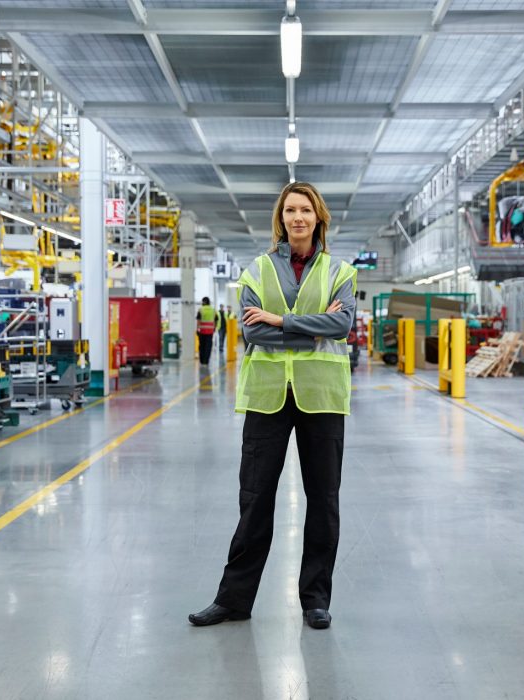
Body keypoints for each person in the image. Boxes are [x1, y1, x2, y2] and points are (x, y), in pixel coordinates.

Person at [189, 181, 356, 630]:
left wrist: (281, 319)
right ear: (280, 219)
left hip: (321, 395)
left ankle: (315, 600)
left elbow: (342, 325)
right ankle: (234, 600)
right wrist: (312, 328)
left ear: (318, 216)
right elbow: (253, 333)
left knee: (323, 499)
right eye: (289, 211)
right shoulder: (257, 270)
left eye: (305, 210)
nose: (297, 218)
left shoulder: (340, 270)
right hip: (267, 396)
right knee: (255, 498)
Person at [196, 296, 216, 365]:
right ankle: (206, 361)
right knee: (208, 346)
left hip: (202, 331)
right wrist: (214, 328)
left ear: (203, 302)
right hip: (210, 332)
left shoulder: (200, 309)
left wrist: (197, 329)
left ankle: (201, 360)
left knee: (202, 346)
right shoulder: (213, 310)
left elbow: (198, 320)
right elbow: (216, 320)